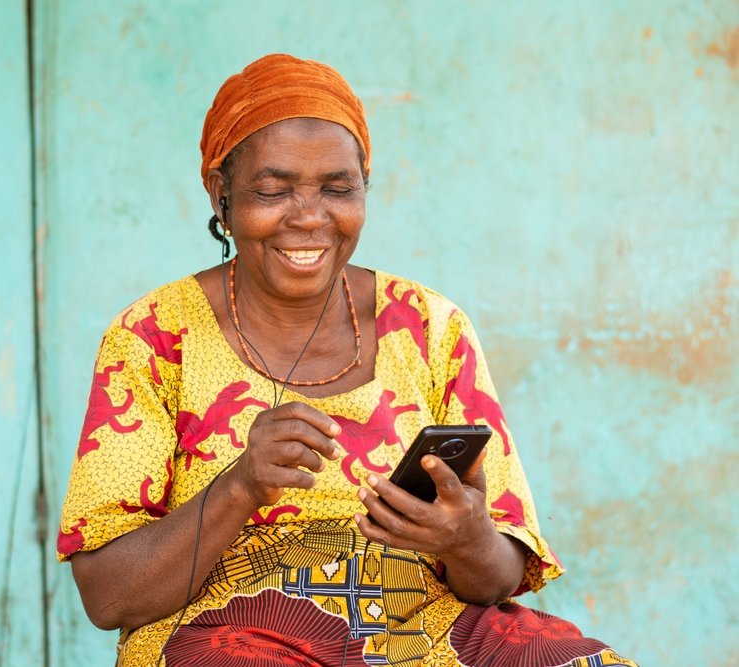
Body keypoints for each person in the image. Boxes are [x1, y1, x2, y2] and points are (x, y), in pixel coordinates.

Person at [57, 53, 636, 667]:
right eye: (272, 191)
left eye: (339, 189)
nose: (309, 218)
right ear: (220, 193)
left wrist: (466, 540)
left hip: (420, 626)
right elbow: (107, 597)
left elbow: (494, 582)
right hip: (229, 634)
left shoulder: (431, 326)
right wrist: (242, 486)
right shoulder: (153, 337)